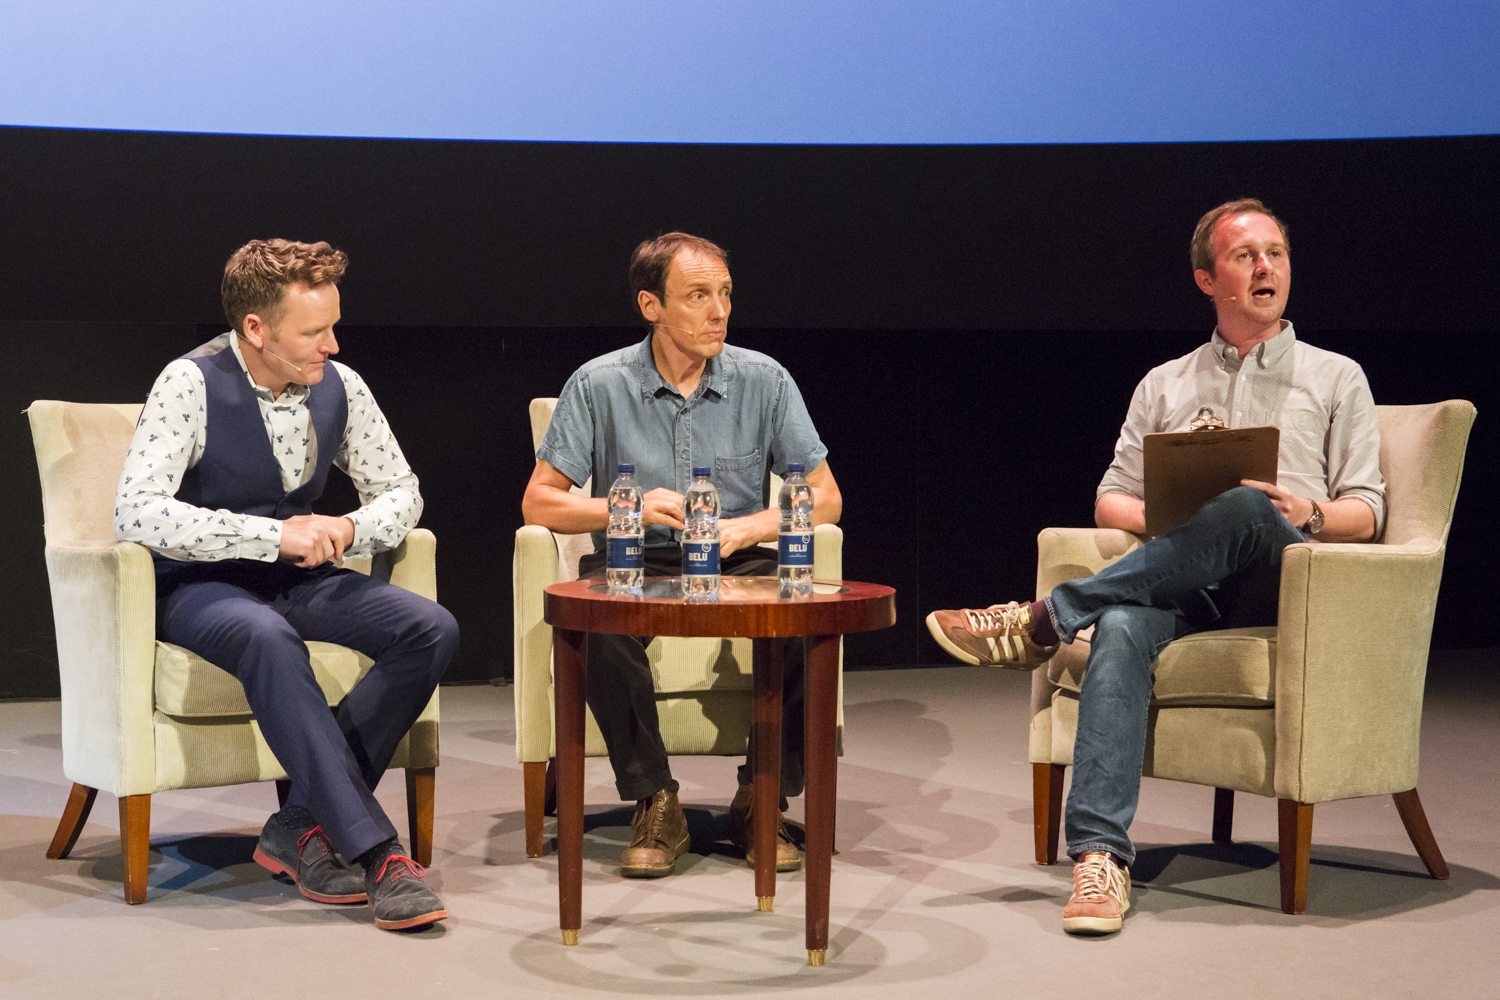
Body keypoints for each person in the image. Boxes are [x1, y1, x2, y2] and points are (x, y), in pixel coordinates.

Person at [926, 199, 1384, 935]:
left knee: (1243, 506)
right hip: (1183, 579)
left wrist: (1305, 511)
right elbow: (1111, 499)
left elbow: (1369, 510)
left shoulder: (1336, 378)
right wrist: (1170, 524)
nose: (1266, 267)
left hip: (1287, 583)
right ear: (1207, 279)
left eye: (1276, 253)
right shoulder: (1164, 383)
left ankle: (1045, 615)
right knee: (1125, 624)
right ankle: (1101, 860)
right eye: (1246, 256)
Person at [115, 240, 458, 930]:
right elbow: (137, 510)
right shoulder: (190, 382)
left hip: (302, 577)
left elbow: (400, 489)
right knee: (268, 638)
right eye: (314, 332)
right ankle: (378, 854)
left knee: (430, 628)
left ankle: (299, 822)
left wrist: (350, 529)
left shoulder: (341, 384)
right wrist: (273, 536)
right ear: (256, 330)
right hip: (200, 587)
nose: (331, 344)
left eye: (334, 326)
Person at [522, 232, 843, 878]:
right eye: (698, 296)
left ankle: (761, 796)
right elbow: (539, 504)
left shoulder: (765, 381)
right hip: (636, 559)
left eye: (725, 294)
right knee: (594, 618)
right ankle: (655, 799)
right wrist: (627, 509)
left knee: (808, 616)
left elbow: (827, 497)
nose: (719, 311)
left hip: (738, 558)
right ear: (652, 305)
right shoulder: (598, 384)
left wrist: (752, 526)